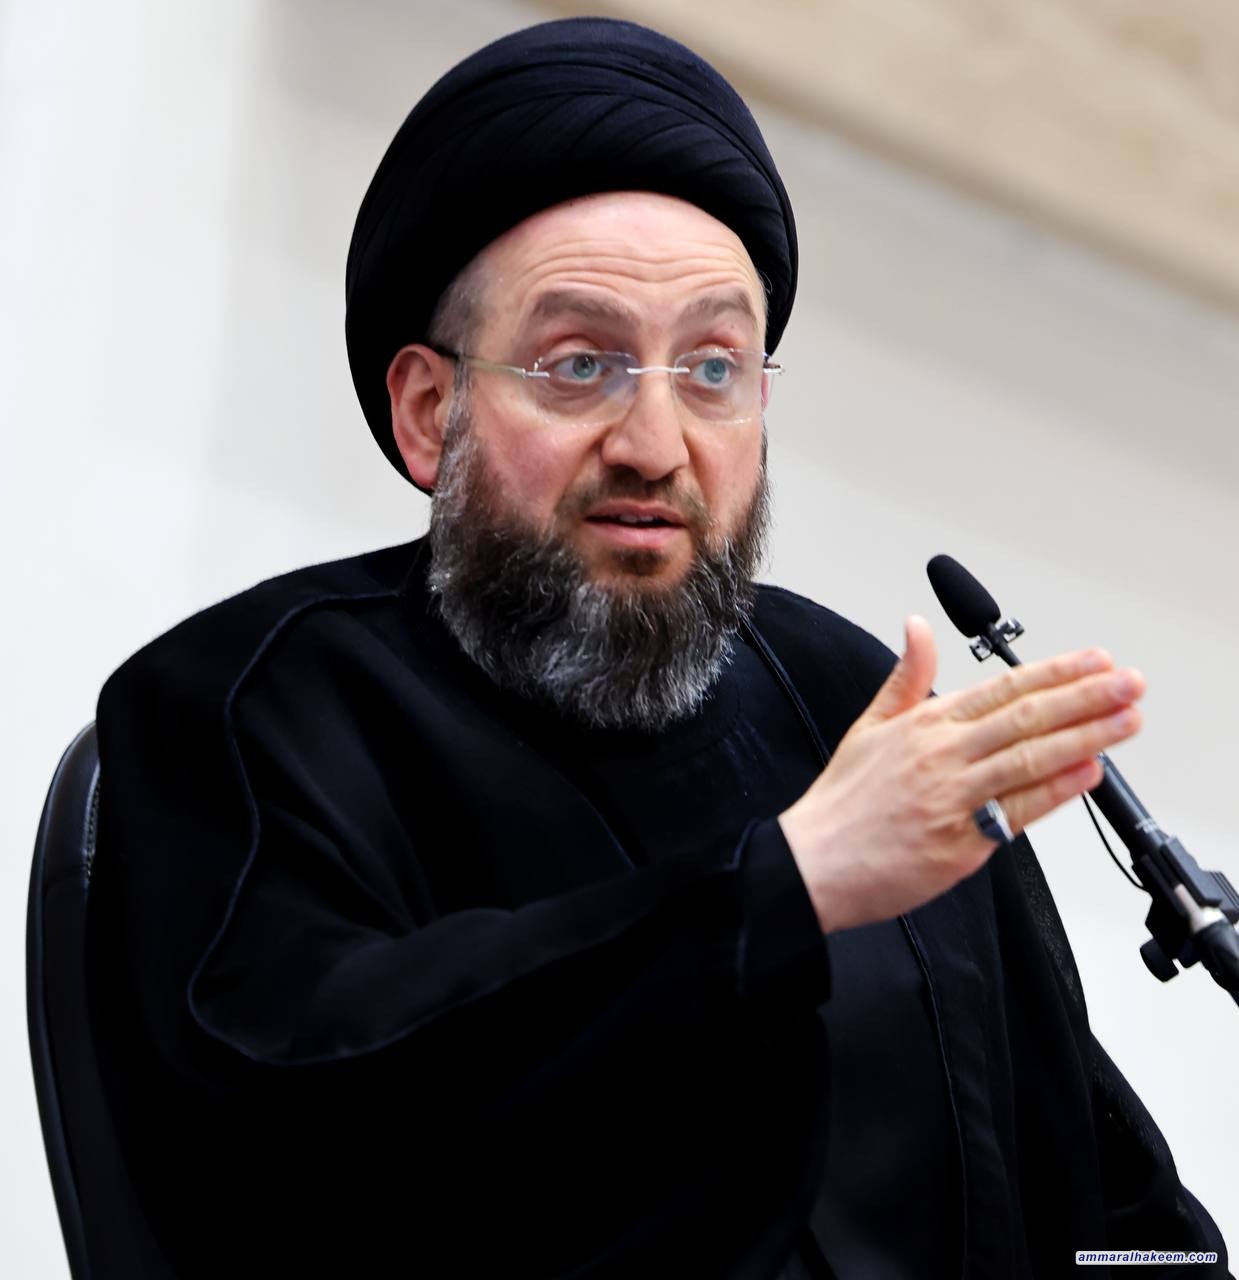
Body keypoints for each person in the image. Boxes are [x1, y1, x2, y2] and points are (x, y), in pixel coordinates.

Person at [86, 17, 1228, 1279]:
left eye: (713, 368)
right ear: (429, 409)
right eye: (580, 363)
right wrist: (786, 888)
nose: (654, 441)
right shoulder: (253, 712)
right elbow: (293, 1136)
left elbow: (1101, 1210)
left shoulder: (851, 703)